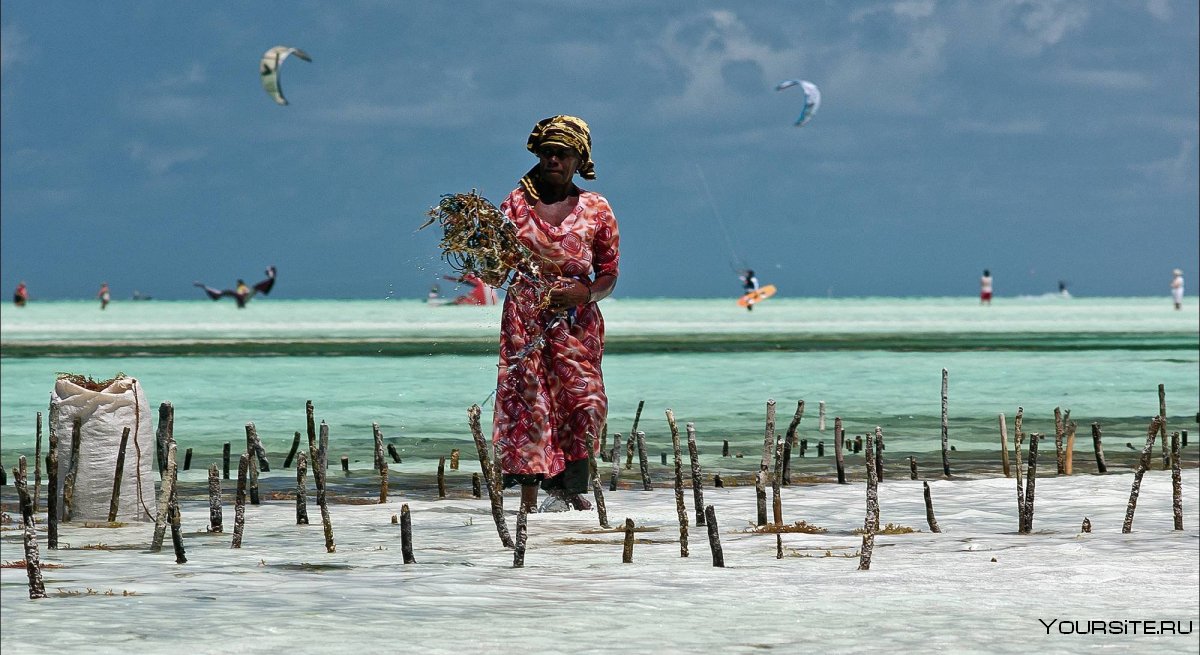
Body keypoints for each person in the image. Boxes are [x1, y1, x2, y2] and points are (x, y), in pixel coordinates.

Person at [491, 115, 619, 513]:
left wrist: (585, 294)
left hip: (578, 323)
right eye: (547, 153)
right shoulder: (515, 205)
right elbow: (497, 271)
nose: (553, 161)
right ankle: (529, 505)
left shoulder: (596, 208)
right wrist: (479, 251)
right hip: (525, 317)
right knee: (532, 404)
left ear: (580, 159)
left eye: (562, 154)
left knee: (587, 403)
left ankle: (567, 489)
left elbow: (609, 273)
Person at [194, 266, 276, 309]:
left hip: (243, 297)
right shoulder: (242, 288)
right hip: (243, 297)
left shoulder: (242, 288)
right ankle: (204, 287)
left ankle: (271, 274)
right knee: (227, 294)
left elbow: (244, 293)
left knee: (227, 293)